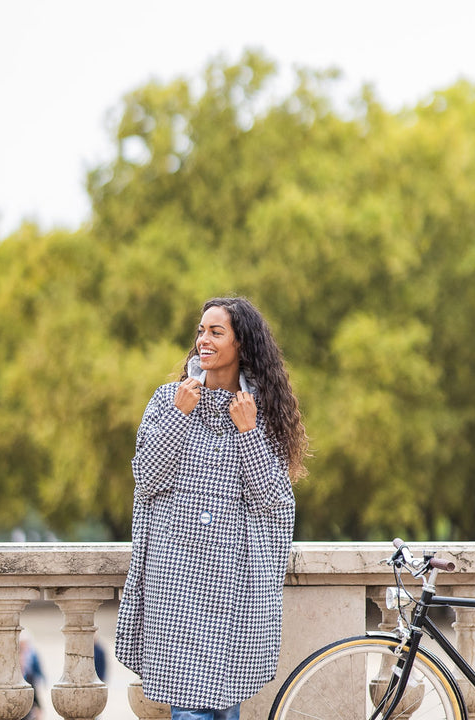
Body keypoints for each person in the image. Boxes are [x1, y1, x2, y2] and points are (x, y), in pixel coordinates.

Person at [115, 296, 308, 720]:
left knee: (223, 710)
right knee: (191, 710)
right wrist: (179, 416)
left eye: (216, 332)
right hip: (177, 584)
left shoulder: (261, 414)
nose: (203, 339)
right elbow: (147, 478)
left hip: (235, 585)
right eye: (201, 330)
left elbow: (272, 499)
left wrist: (248, 432)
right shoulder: (169, 400)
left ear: (243, 344)